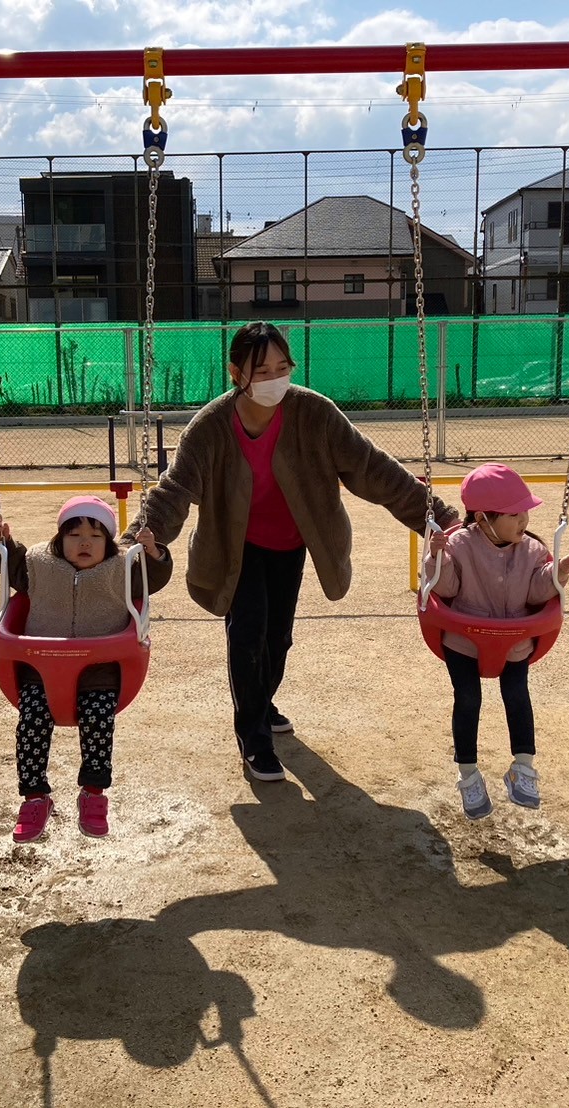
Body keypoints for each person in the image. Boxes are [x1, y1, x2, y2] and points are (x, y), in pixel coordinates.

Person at [125, 320, 460, 782]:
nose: (275, 379)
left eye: (283, 367)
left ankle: (261, 701)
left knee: (277, 637)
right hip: (236, 548)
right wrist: (135, 541)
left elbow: (372, 468)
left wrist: (438, 516)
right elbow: (174, 489)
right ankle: (254, 738)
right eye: (262, 371)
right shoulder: (211, 427)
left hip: (291, 543)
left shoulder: (313, 414)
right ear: (236, 373)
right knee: (248, 634)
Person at [0, 495, 171, 842]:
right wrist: (3, 544)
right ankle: (35, 798)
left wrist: (153, 554)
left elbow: (153, 580)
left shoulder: (122, 568)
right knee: (31, 723)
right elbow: (14, 569)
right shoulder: (40, 565)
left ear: (109, 542)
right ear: (60, 539)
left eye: (95, 536)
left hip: (99, 673)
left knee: (98, 722)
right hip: (40, 671)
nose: (84, 543)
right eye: (74, 535)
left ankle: (93, 794)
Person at [425, 463, 569, 814]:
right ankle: (468, 775)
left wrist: (560, 571)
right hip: (464, 642)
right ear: (483, 518)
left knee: (518, 697)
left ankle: (523, 768)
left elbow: (536, 593)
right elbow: (446, 589)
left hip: (515, 642)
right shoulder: (459, 545)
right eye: (514, 515)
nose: (523, 521)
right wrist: (437, 557)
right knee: (468, 698)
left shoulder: (531, 550)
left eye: (525, 513)